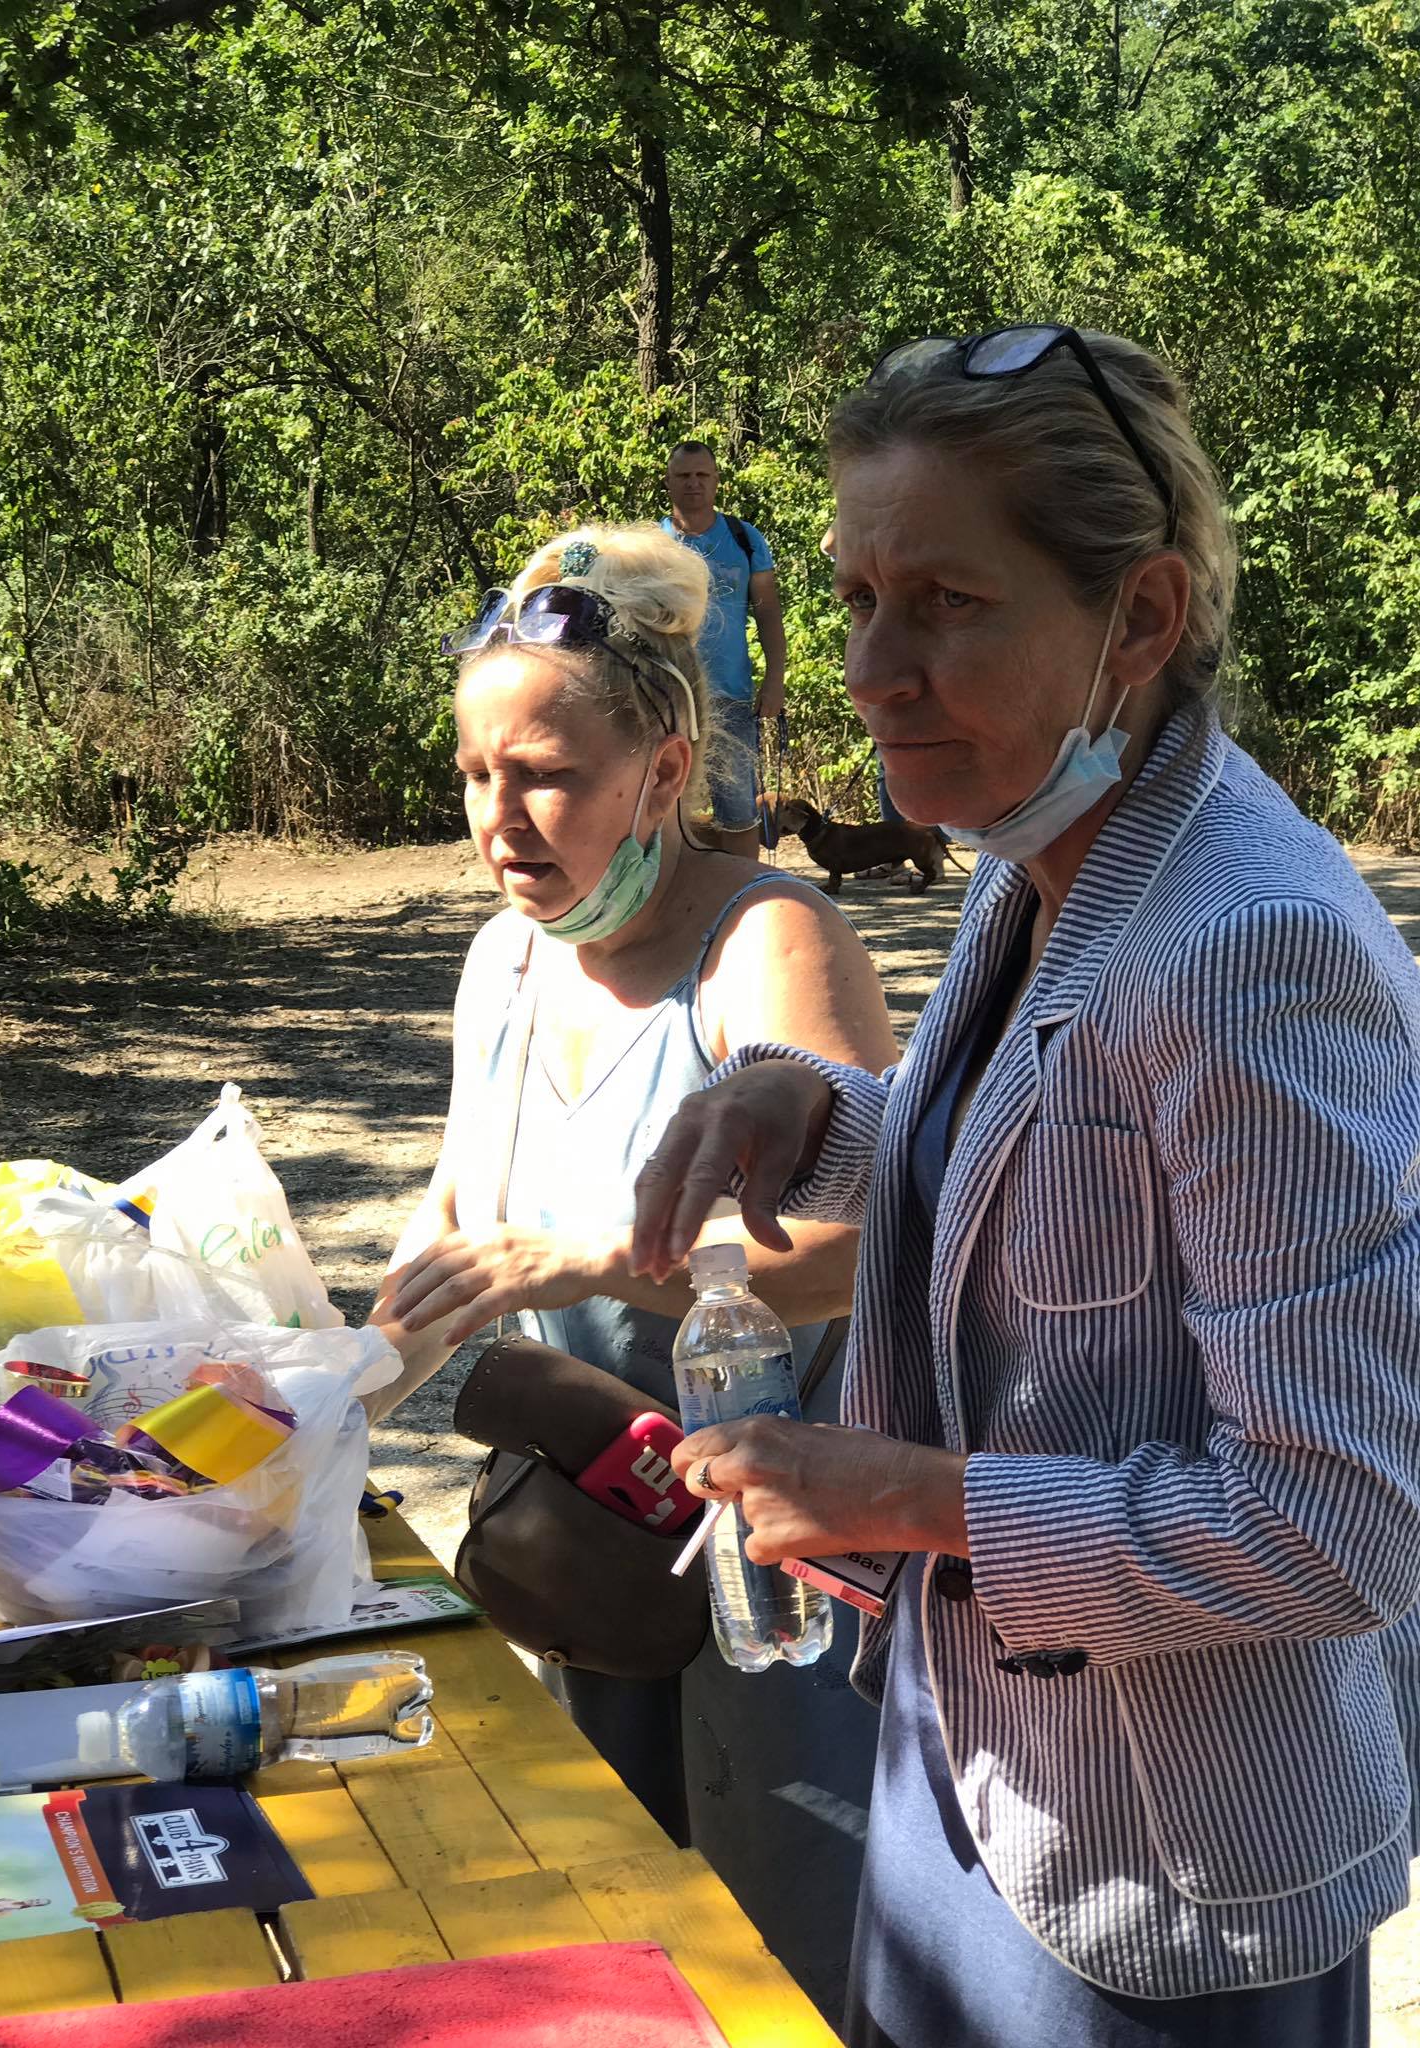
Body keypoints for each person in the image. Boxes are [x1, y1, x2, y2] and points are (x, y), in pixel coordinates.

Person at [628, 325, 1420, 2047]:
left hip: (1164, 1879)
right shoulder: (1040, 844)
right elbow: (1018, 1157)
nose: (870, 669)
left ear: (1139, 618)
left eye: (946, 603)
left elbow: (1337, 1521)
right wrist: (818, 1112)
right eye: (856, 598)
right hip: (973, 1768)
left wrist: (909, 1497)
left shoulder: (1249, 946)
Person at [371, 521, 898, 2022]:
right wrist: (323, 1398)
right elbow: (458, 1217)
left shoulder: (765, 940)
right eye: (476, 775)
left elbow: (859, 1245)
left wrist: (594, 1254)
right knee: (623, 1947)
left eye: (545, 775)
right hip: (594, 1550)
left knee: (789, 1965)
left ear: (665, 771)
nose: (501, 822)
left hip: (782, 1589)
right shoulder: (507, 959)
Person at [661, 441, 785, 858]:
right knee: (666, 809)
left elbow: (768, 613)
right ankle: (674, 892)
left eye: (702, 475)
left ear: (716, 481)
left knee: (738, 811)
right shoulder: (653, 545)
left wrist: (775, 679)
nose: (693, 483)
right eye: (684, 476)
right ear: (668, 481)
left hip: (730, 695)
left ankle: (743, 891)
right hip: (666, 697)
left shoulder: (744, 538)